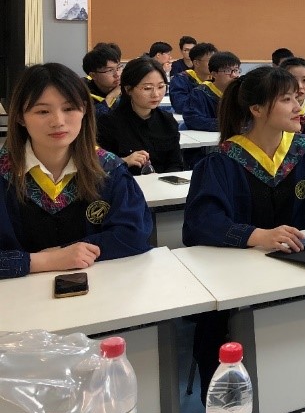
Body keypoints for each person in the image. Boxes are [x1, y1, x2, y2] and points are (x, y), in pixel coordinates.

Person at [183, 65, 305, 401]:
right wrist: (257, 236)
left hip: (302, 276)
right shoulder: (223, 161)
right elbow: (201, 223)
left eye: (298, 98)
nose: (299, 106)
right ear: (257, 109)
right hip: (238, 287)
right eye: (287, 100)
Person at [0, 63, 153, 279]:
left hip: (100, 289)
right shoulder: (4, 172)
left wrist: (70, 252)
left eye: (69, 108)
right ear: (19, 117)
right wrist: (47, 261)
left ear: (84, 110)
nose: (58, 122)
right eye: (43, 111)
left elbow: (133, 235)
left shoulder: (108, 170)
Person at [97, 57, 182, 176]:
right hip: (125, 184)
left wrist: (163, 179)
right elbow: (98, 168)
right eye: (147, 88)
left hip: (162, 186)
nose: (156, 94)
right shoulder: (108, 123)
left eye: (161, 86)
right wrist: (123, 162)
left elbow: (176, 164)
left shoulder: (167, 121)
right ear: (128, 89)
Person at [184, 51, 241, 132]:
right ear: (214, 74)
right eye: (227, 71)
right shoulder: (200, 93)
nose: (234, 75)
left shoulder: (240, 92)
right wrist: (228, 125)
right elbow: (193, 120)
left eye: (236, 70)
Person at [169, 42, 217, 115]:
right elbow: (180, 106)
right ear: (196, 63)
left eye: (215, 61)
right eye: (210, 61)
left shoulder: (218, 79)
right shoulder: (180, 80)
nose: (214, 64)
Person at [82, 45, 122, 116]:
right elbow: (92, 118)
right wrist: (111, 97)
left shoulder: (128, 88)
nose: (117, 74)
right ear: (93, 75)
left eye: (118, 68)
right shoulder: (82, 92)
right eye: (110, 70)